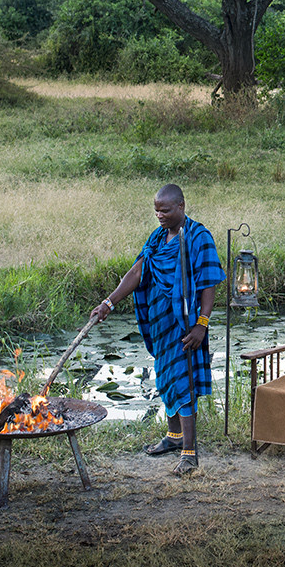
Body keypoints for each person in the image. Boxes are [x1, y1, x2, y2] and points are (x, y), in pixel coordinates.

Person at [92, 184, 224, 475]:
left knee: (183, 382)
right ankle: (174, 437)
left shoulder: (198, 237)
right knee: (166, 378)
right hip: (160, 325)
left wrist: (202, 325)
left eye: (165, 210)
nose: (159, 215)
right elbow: (138, 271)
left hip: (186, 326)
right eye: (156, 210)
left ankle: (190, 453)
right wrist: (108, 303)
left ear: (181, 206)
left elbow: (209, 283)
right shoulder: (157, 238)